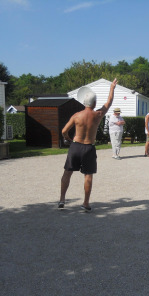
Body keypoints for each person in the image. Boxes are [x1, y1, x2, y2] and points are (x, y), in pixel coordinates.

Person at [58, 78, 118, 212]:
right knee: (88, 176)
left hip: (75, 146)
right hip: (88, 147)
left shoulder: (76, 115)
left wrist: (68, 138)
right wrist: (112, 88)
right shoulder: (98, 114)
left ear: (84, 102)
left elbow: (63, 131)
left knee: (67, 173)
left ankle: (62, 199)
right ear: (94, 102)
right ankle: (85, 203)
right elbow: (109, 102)